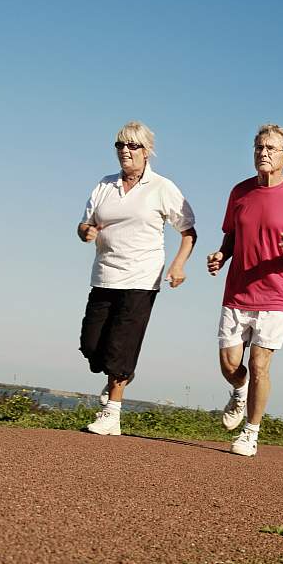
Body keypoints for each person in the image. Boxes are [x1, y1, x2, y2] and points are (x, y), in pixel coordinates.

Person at [207, 124, 283, 457]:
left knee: (260, 364)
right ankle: (239, 391)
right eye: (259, 147)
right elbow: (231, 234)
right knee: (231, 366)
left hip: (276, 294)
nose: (263, 153)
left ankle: (251, 432)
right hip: (238, 291)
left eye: (271, 149)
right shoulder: (240, 192)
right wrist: (221, 254)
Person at [78, 121, 196, 435]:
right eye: (120, 145)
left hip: (142, 278)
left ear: (147, 151)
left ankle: (111, 414)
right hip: (104, 275)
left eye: (133, 146)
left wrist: (178, 266)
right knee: (91, 346)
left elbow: (188, 232)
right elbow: (84, 225)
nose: (125, 151)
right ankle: (119, 373)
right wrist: (86, 231)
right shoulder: (105, 185)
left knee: (120, 347)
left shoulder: (162, 188)